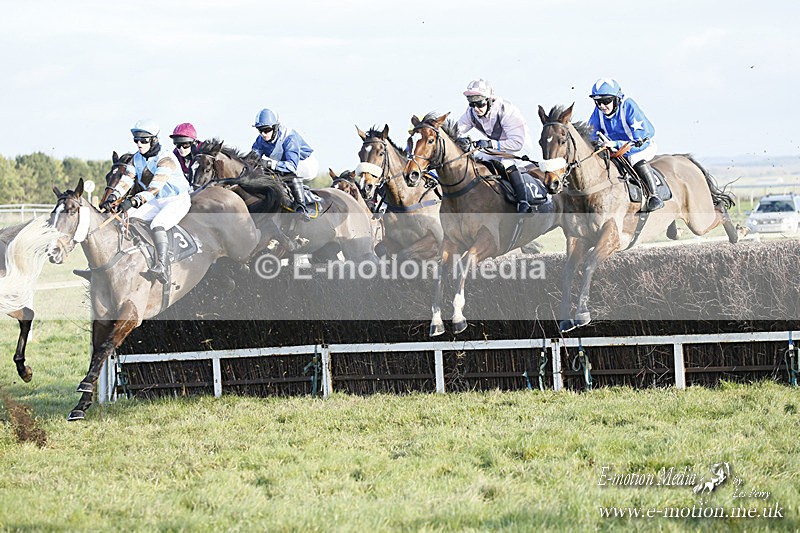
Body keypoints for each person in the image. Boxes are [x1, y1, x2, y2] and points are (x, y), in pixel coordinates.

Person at [100, 119, 192, 283]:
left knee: (158, 223)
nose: (139, 144)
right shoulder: (136, 158)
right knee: (127, 217)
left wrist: (132, 201)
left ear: (154, 140)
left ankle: (162, 266)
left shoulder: (166, 159)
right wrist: (113, 197)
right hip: (157, 201)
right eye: (136, 140)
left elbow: (153, 189)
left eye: (143, 141)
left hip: (176, 200)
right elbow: (127, 180)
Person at [455, 78, 545, 214]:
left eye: (479, 103)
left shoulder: (506, 111)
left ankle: (523, 202)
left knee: (506, 163)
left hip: (519, 145)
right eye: (472, 104)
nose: (476, 108)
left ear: (489, 100)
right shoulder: (471, 112)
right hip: (497, 146)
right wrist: (459, 140)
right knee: (476, 160)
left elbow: (516, 143)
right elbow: (455, 131)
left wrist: (489, 143)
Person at [588, 77, 663, 211]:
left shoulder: (628, 106)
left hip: (640, 146)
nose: (602, 106)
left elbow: (640, 139)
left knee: (634, 158)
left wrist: (615, 144)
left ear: (616, 99)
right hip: (615, 150)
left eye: (606, 101)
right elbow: (591, 135)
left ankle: (654, 196)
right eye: (598, 102)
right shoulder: (598, 112)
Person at [251, 108, 319, 221]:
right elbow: (253, 158)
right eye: (260, 130)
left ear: (275, 127)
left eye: (266, 130)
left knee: (288, 173)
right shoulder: (260, 140)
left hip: (305, 164)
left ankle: (301, 207)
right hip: (284, 163)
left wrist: (269, 163)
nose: (263, 134)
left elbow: (291, 166)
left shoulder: (289, 138)